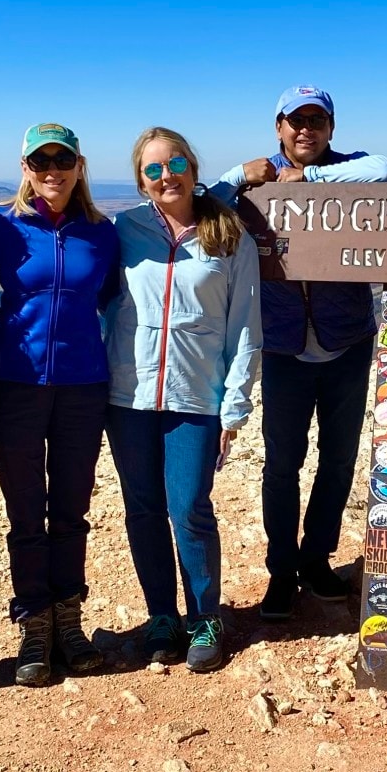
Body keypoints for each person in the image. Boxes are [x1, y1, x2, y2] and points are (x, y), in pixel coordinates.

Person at [209, 85, 387, 621]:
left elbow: (383, 170)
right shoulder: (254, 176)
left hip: (347, 341)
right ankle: (281, 570)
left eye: (317, 121)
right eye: (296, 121)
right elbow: (202, 205)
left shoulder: (345, 169)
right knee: (282, 465)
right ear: (278, 127)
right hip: (284, 347)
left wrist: (308, 178)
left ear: (331, 128)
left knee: (337, 461)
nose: (306, 130)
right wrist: (242, 175)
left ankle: (317, 559)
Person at [0, 123, 122, 687]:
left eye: (62, 159)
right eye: (40, 160)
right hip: (15, 386)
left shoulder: (101, 233)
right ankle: (34, 626)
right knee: (27, 514)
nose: (51, 169)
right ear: (25, 166)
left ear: (80, 164)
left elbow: (110, 301)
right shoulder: (0, 224)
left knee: (72, 509)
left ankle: (69, 622)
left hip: (83, 387)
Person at [103, 129, 262, 672]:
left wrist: (234, 406)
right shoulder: (125, 229)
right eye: (152, 169)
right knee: (143, 511)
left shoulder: (228, 236)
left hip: (197, 398)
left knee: (189, 507)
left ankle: (204, 618)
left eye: (174, 164)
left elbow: (245, 328)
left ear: (192, 167)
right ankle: (161, 617)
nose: (165, 176)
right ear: (141, 180)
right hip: (128, 396)